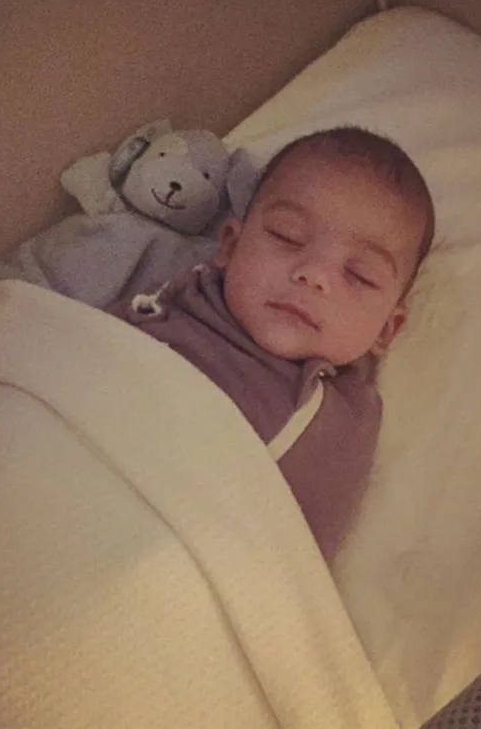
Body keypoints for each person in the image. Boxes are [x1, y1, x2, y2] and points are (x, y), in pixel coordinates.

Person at [106, 126, 435, 562]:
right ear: (230, 245)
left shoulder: (338, 421)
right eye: (286, 236)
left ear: (385, 331)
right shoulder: (175, 292)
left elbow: (290, 566)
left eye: (360, 275)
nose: (313, 274)